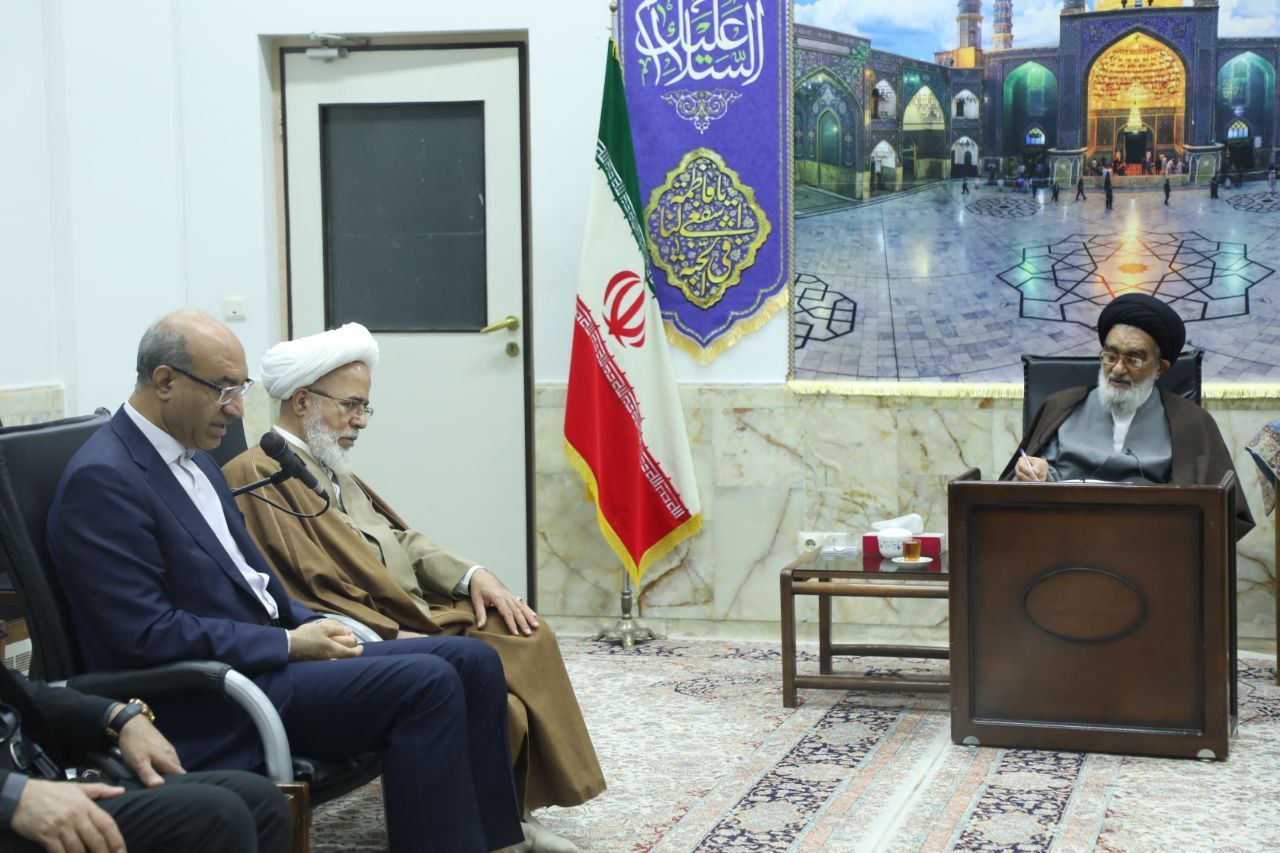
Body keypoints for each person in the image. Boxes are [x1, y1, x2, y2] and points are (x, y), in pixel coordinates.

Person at [46, 310, 524, 853]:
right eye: (224, 390)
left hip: (268, 662)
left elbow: (254, 585)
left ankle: (497, 842)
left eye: (241, 388)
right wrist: (290, 644)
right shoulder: (104, 480)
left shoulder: (196, 461)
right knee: (426, 683)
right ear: (164, 381)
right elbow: (145, 635)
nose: (236, 408)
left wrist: (317, 625)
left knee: (473, 660)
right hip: (212, 694)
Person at [223, 324, 606, 851]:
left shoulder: (324, 461)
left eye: (365, 407)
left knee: (524, 630)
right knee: (489, 678)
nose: (361, 420)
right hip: (381, 626)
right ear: (303, 400)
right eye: (351, 405)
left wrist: (474, 575)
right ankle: (498, 821)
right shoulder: (260, 474)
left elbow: (397, 537)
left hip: (417, 608)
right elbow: (302, 593)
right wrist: (384, 636)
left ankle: (510, 815)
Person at [1003, 294, 1254, 540]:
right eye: (1110, 356)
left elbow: (1224, 514)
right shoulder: (1061, 407)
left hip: (1152, 545)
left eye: (1133, 360)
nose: (1118, 369)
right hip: (1063, 539)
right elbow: (1015, 491)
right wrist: (1033, 473)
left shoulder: (1191, 422)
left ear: (1160, 368)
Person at [0, 664, 290, 852]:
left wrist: (118, 716)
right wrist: (14, 795)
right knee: (216, 815)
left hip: (35, 780)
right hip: (14, 804)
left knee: (261, 800)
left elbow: (20, 691)